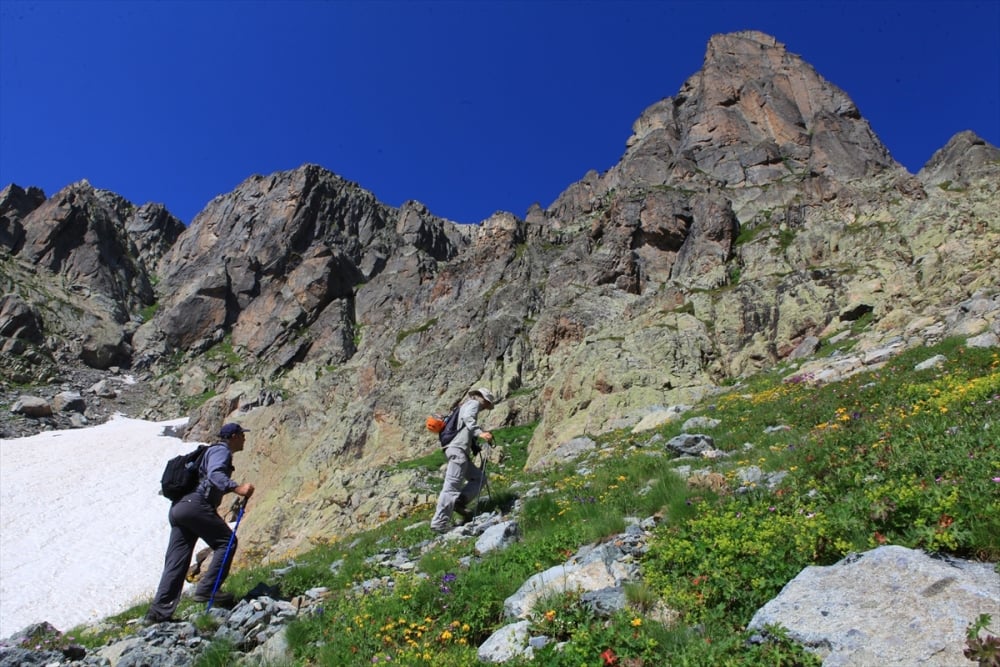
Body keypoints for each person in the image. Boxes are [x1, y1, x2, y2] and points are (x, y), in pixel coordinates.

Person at [146, 423, 255, 622]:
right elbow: (215, 475)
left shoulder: (209, 451)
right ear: (233, 436)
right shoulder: (221, 451)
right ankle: (207, 589)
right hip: (195, 505)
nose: (244, 439)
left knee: (176, 561)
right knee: (226, 542)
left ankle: (158, 613)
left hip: (179, 508)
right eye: (242, 435)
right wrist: (237, 488)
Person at [430, 387, 496, 533]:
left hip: (458, 450)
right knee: (451, 487)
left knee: (479, 478)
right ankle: (439, 523)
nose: (485, 408)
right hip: (457, 450)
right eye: (487, 404)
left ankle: (460, 502)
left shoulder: (464, 405)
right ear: (483, 399)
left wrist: (474, 446)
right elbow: (468, 419)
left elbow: (464, 427)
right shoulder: (473, 404)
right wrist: (481, 433)